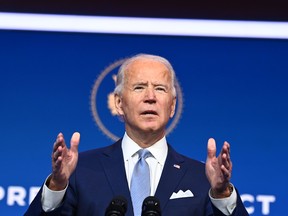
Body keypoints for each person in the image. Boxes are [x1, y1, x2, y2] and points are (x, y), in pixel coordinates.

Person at [25, 53, 248, 215]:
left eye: (160, 89)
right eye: (139, 87)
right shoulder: (80, 170)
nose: (150, 97)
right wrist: (56, 186)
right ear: (119, 103)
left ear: (171, 107)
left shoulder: (203, 177)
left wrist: (221, 194)